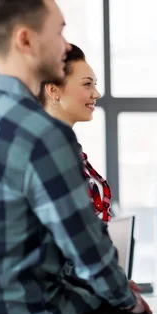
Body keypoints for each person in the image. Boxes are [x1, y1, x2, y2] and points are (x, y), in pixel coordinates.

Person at [0, 0, 157, 314]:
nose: (66, 45)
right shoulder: (41, 132)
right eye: (60, 31)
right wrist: (128, 300)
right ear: (25, 40)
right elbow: (88, 252)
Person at [39, 43, 111, 223]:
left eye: (95, 85)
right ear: (53, 89)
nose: (97, 93)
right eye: (87, 84)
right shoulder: (44, 152)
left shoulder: (70, 148)